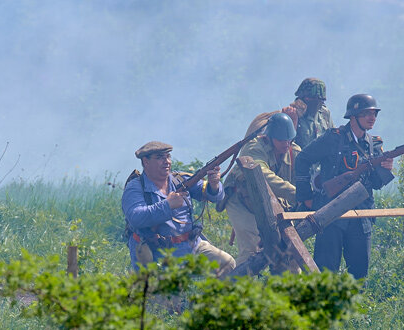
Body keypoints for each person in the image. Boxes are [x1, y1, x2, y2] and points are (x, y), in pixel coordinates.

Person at [295, 93, 394, 278]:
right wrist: (306, 197)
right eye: (366, 113)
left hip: (361, 217)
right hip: (331, 215)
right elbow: (302, 159)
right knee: (325, 276)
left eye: (374, 114)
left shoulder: (374, 144)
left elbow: (376, 184)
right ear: (353, 116)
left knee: (358, 277)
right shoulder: (333, 138)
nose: (372, 118)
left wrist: (385, 169)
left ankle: (353, 308)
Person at [122, 141, 235, 275]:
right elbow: (136, 218)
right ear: (145, 162)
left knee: (227, 263)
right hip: (157, 253)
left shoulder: (179, 179)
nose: (167, 162)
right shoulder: (135, 187)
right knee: (162, 294)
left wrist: (214, 184)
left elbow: (214, 196)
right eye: (159, 158)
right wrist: (167, 205)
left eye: (168, 157)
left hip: (191, 246)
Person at [222, 112, 300, 265]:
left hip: (272, 206)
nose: (286, 144)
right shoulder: (254, 148)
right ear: (269, 137)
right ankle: (239, 287)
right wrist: (297, 194)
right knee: (250, 251)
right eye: (281, 140)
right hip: (241, 202)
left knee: (290, 251)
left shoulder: (294, 151)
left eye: (289, 139)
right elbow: (262, 176)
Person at [293, 77, 334, 150]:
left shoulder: (325, 113)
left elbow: (333, 138)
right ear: (305, 98)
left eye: (321, 99)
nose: (320, 102)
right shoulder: (293, 114)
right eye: (315, 98)